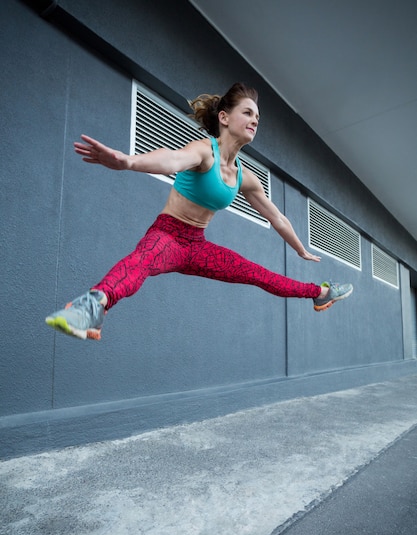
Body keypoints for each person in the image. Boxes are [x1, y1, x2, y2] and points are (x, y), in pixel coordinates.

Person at [46, 82, 353, 341]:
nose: (254, 119)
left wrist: (301, 250)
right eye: (247, 112)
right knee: (141, 262)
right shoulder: (205, 150)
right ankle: (91, 307)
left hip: (197, 247)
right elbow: (171, 160)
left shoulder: (245, 177)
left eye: (257, 116)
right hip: (167, 234)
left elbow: (277, 217)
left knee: (257, 274)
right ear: (224, 117)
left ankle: (319, 292)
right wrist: (129, 162)